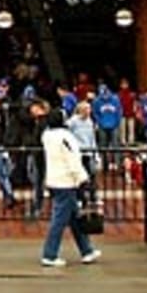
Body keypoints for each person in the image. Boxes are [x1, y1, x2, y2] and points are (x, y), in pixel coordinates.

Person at [39, 107, 101, 268]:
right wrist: (83, 178)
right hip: (66, 182)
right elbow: (73, 159)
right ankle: (49, 254)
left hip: (54, 180)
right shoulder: (66, 137)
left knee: (74, 217)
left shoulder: (47, 136)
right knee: (59, 220)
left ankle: (87, 250)